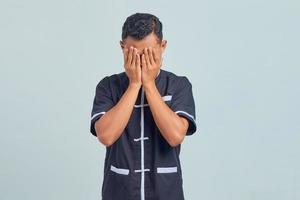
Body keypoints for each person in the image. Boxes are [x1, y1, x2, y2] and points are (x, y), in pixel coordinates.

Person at [90, 12, 197, 200]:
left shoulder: (179, 85)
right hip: (119, 192)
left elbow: (175, 136)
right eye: (133, 54)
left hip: (165, 192)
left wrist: (148, 84)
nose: (141, 61)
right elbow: (106, 136)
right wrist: (134, 85)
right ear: (122, 47)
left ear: (162, 46)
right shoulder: (108, 86)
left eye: (148, 53)